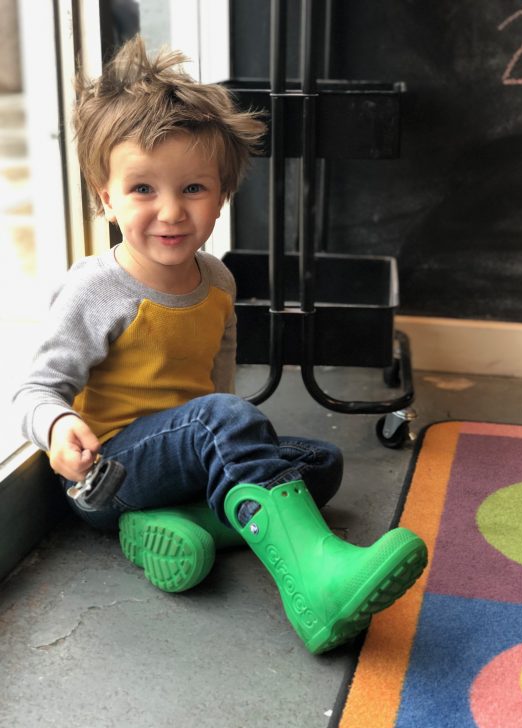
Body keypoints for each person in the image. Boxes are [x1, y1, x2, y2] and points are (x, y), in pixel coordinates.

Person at [12, 36, 427, 654]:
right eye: (143, 190)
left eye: (193, 189)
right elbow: (33, 389)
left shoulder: (220, 281)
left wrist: (230, 435)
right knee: (230, 424)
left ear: (222, 196)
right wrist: (55, 426)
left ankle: (181, 525)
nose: (171, 211)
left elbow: (217, 382)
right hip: (112, 472)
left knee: (320, 464)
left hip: (185, 453)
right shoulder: (96, 289)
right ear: (106, 197)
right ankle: (317, 587)